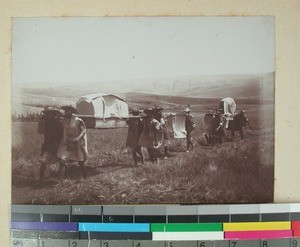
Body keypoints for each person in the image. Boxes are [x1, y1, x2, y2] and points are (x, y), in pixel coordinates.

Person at [57, 106, 88, 180]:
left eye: (68, 111)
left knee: (80, 161)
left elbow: (83, 131)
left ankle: (85, 178)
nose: (66, 112)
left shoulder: (77, 120)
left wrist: (78, 138)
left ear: (71, 112)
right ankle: (61, 181)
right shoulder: (63, 120)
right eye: (66, 111)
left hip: (76, 143)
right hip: (67, 142)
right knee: (62, 159)